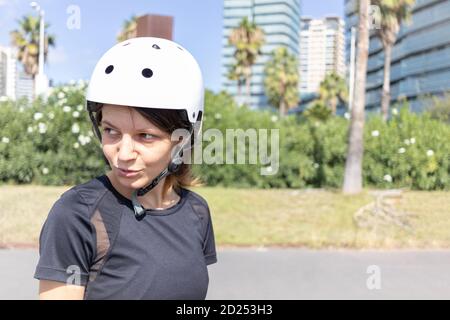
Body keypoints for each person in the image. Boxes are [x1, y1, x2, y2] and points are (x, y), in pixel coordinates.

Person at [34, 37, 217, 300]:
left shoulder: (196, 212)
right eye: (111, 131)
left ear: (181, 139)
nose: (123, 154)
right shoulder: (77, 214)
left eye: (145, 135)